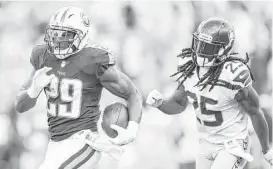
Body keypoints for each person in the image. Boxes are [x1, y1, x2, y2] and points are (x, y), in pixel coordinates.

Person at [15, 6, 142, 169]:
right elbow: (20, 105)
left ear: (82, 36)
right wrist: (34, 89)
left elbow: (132, 94)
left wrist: (131, 130)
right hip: (54, 145)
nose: (58, 40)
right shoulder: (43, 56)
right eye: (55, 34)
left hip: (83, 142)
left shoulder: (93, 61)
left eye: (66, 35)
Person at [146, 17, 272, 169]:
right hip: (206, 144)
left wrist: (266, 150)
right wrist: (161, 104)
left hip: (232, 144)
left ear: (223, 50)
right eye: (200, 44)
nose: (200, 51)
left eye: (208, 47)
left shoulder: (232, 76)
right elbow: (179, 104)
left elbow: (255, 112)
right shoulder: (190, 70)